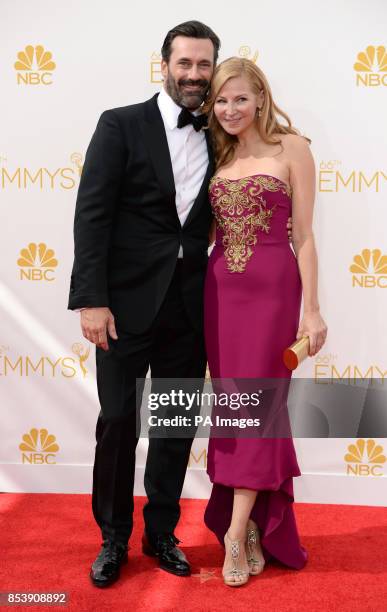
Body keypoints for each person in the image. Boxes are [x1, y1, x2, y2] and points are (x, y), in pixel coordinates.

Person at [68, 21, 220, 586]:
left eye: (204, 65)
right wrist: (91, 299)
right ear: (164, 65)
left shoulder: (220, 131)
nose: (194, 76)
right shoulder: (121, 124)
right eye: (185, 64)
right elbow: (93, 214)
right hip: (125, 306)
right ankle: (112, 538)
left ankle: (161, 531)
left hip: (190, 304)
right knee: (118, 422)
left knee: (174, 423)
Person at [202, 57, 328, 586]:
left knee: (258, 406)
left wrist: (314, 310)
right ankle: (255, 524)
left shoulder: (292, 148)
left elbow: (303, 235)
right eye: (220, 101)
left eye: (239, 99)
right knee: (234, 410)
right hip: (219, 297)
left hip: (274, 297)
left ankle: (234, 534)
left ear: (260, 97)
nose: (230, 110)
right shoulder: (218, 153)